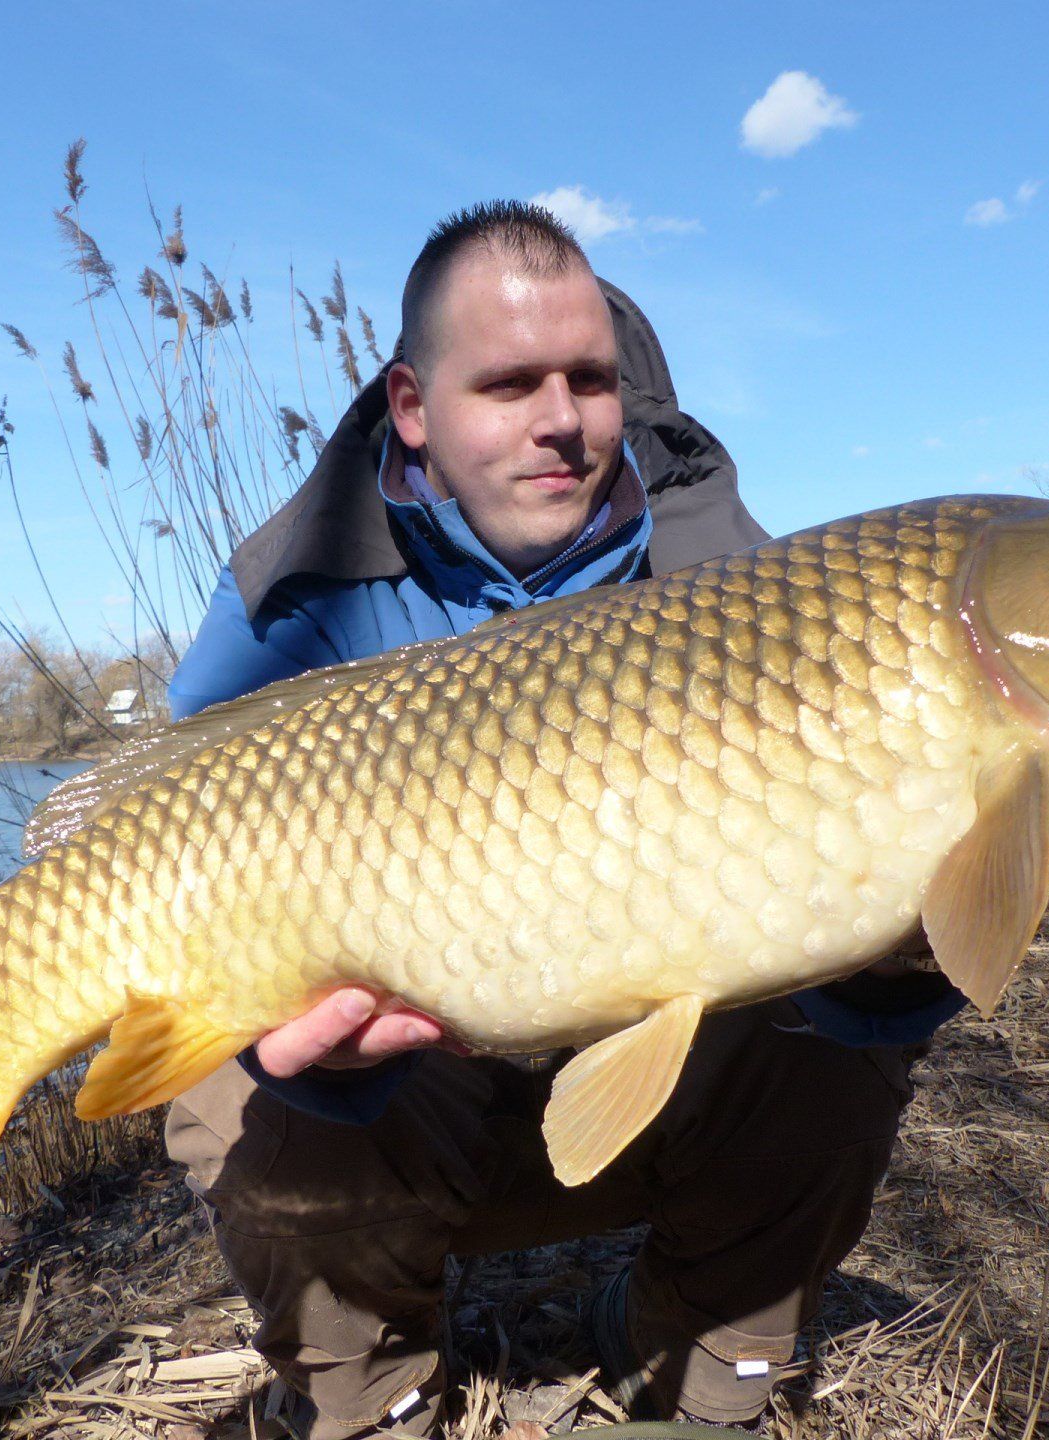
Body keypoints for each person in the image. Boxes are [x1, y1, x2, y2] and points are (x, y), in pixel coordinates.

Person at [162, 202, 966, 1439]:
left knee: (834, 1040)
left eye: (589, 378)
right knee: (233, 1092)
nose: (562, 420)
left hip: (641, 1104)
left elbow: (874, 988)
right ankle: (368, 1397)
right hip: (401, 1103)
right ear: (415, 407)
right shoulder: (293, 602)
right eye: (508, 383)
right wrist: (307, 1064)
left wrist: (910, 936)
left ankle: (700, 1375)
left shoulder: (737, 585)